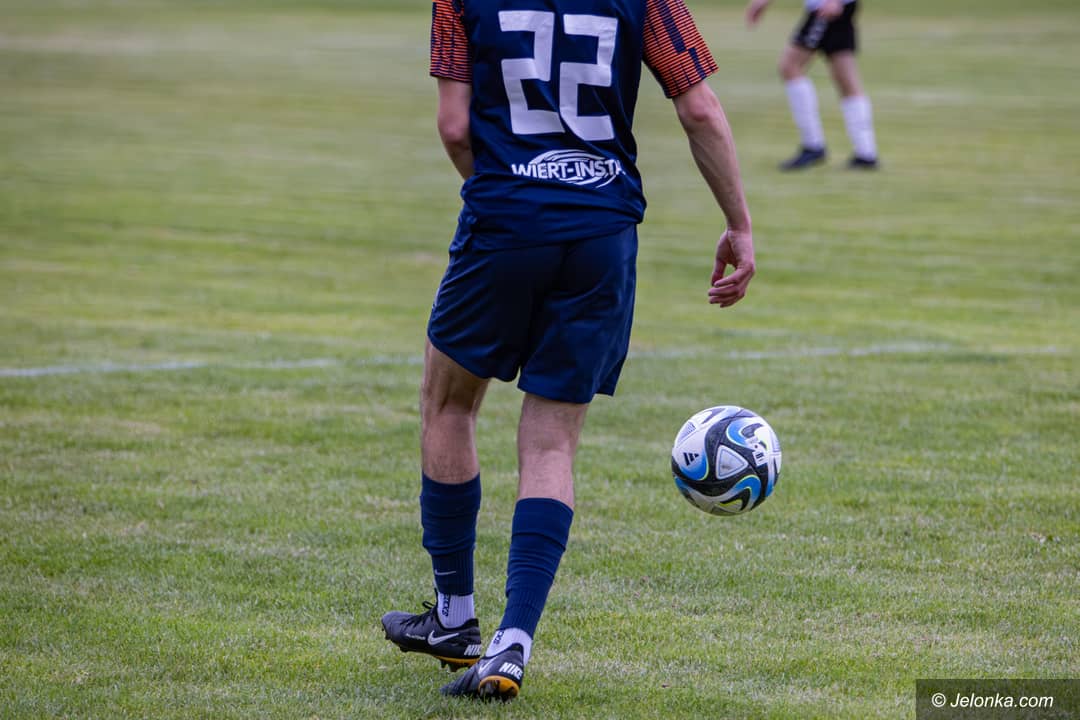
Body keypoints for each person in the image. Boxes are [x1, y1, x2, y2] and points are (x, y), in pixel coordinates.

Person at [381, 0, 755, 702]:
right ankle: (513, 644)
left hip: (505, 221)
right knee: (552, 440)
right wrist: (738, 223)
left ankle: (455, 616)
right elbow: (699, 108)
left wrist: (507, 197)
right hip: (602, 234)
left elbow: (455, 126)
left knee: (448, 404)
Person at [745, 0, 879, 169]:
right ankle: (865, 153)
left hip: (825, 8)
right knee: (845, 77)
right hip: (835, 7)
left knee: (790, 66)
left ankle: (813, 145)